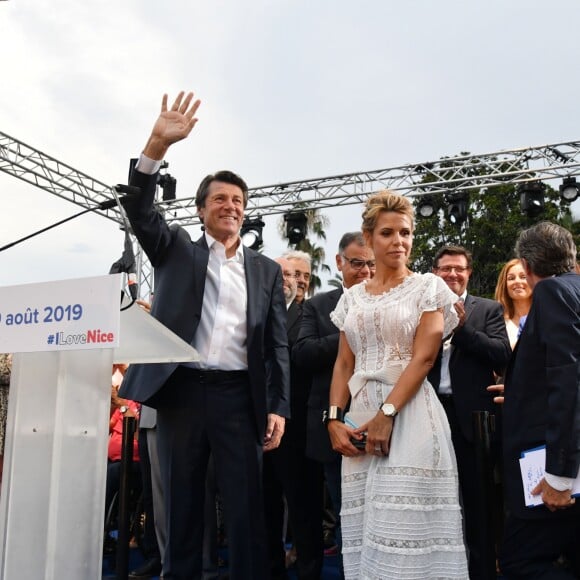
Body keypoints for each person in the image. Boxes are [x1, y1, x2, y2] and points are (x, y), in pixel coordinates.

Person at [118, 91, 290, 580]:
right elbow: (139, 208)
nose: (230, 207)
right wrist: (157, 144)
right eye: (220, 199)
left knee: (244, 510)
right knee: (181, 505)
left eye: (238, 201)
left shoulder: (267, 270)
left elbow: (275, 344)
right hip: (182, 392)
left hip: (241, 397)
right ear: (200, 210)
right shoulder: (174, 249)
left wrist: (278, 406)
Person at [327, 191, 468, 579]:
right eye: (387, 233)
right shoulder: (351, 298)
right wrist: (334, 419)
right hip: (358, 422)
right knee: (366, 527)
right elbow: (344, 362)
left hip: (411, 417)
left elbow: (423, 358)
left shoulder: (429, 288)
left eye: (405, 232)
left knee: (405, 528)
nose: (399, 241)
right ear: (369, 238)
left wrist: (386, 414)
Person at [500, 221, 580, 579]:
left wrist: (560, 476)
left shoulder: (551, 293)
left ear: (527, 266)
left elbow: (570, 379)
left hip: (555, 473)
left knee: (521, 562)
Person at [293, 231, 375, 579]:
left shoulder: (391, 299)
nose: (366, 272)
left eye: (372, 264)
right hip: (335, 428)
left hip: (383, 421)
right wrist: (348, 332)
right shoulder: (318, 305)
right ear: (340, 262)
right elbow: (303, 353)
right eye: (357, 264)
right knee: (347, 512)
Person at [429, 245, 511, 579]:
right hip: (429, 417)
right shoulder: (423, 309)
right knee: (436, 502)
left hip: (473, 423)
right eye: (446, 268)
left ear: (469, 273)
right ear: (435, 272)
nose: (452, 274)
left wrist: (461, 331)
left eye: (459, 268)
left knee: (478, 506)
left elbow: (501, 354)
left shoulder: (488, 309)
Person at [264, 252, 324, 580]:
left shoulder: (309, 316)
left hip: (298, 430)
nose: (294, 280)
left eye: (300, 275)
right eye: (286, 274)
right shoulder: (256, 315)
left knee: (303, 511)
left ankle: (308, 571)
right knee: (266, 507)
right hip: (258, 429)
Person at [494, 258, 533, 349]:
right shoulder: (496, 322)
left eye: (523, 277)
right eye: (511, 278)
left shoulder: (545, 317)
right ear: (504, 285)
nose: (517, 281)